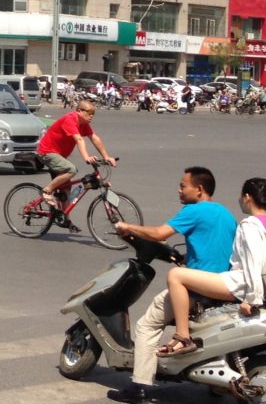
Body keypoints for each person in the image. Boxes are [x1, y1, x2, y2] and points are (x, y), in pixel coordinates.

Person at [107, 167, 237, 403]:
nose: (179, 190)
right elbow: (216, 249)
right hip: (221, 286)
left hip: (196, 288)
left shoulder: (194, 211)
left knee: (146, 326)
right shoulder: (226, 214)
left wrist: (127, 227)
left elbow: (159, 234)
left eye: (183, 185)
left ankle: (140, 386)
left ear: (199, 189)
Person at [159, 178, 266, 356]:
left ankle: (182, 336)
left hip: (239, 285)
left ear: (247, 197)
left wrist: (251, 300)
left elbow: (253, 264)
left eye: (241, 196)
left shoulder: (250, 225)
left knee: (175, 275)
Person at [34, 101, 117, 213]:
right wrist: (86, 157)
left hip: (59, 155)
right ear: (79, 111)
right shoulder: (70, 119)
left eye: (93, 113)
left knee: (66, 189)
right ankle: (46, 191)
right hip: (47, 152)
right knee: (71, 170)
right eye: (89, 112)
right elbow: (79, 139)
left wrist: (106, 156)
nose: (91, 116)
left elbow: (94, 138)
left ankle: (65, 218)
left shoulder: (84, 124)